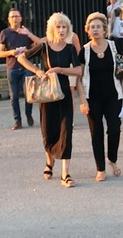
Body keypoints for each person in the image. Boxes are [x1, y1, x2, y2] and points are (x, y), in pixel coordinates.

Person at [15, 12, 85, 187]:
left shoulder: (69, 48)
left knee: (66, 131)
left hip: (64, 94)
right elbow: (22, 58)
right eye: (58, 27)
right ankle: (49, 161)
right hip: (47, 94)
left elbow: (78, 71)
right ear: (52, 29)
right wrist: (37, 71)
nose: (61, 30)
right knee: (48, 131)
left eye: (64, 27)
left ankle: (65, 174)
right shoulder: (44, 46)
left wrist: (60, 69)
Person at [80, 12, 123, 183]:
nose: (95, 29)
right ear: (88, 31)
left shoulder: (114, 47)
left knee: (114, 129)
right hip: (92, 98)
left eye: (98, 26)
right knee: (96, 133)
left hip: (114, 96)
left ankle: (112, 158)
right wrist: (82, 99)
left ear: (104, 29)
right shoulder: (84, 51)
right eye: (92, 27)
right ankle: (100, 168)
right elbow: (78, 76)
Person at [0, 8, 39, 130]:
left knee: (29, 93)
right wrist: (12, 52)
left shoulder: (26, 32)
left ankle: (28, 114)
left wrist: (28, 51)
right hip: (12, 67)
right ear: (9, 20)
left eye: (17, 16)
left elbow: (36, 46)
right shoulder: (4, 33)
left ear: (21, 18)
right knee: (14, 96)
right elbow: (0, 53)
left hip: (26, 66)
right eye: (12, 17)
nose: (15, 19)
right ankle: (17, 120)